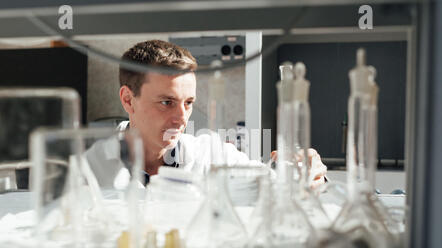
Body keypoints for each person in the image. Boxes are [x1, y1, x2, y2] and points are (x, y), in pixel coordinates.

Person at [86, 39, 327, 188]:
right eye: (167, 102)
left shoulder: (210, 153)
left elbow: (270, 183)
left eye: (188, 102)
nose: (181, 118)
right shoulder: (90, 169)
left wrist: (308, 173)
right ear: (129, 100)